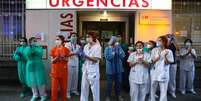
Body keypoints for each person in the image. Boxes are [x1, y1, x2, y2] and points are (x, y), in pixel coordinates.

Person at [150, 36, 174, 101]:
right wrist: (157, 58)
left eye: (160, 40)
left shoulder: (168, 51)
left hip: (163, 73)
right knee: (152, 89)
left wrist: (165, 56)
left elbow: (168, 63)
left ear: (164, 42)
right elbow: (151, 62)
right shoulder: (154, 50)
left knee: (163, 91)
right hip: (154, 72)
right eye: (157, 40)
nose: (158, 42)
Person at [50, 35, 73, 101]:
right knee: (54, 89)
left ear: (62, 41)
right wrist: (57, 58)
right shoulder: (53, 49)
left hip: (63, 71)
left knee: (64, 88)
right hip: (55, 72)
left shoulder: (66, 49)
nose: (57, 41)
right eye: (56, 39)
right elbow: (52, 61)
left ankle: (64, 99)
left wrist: (63, 58)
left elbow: (67, 60)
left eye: (58, 39)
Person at [80, 32, 102, 101]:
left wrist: (86, 56)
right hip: (85, 69)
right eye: (86, 37)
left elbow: (96, 59)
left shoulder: (98, 47)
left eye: (89, 36)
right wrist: (81, 56)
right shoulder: (86, 46)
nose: (87, 38)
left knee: (94, 90)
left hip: (93, 71)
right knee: (84, 88)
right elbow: (84, 58)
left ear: (93, 37)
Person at [24, 37, 47, 101]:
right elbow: (26, 56)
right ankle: (35, 95)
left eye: (35, 41)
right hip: (30, 65)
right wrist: (30, 51)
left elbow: (40, 54)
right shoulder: (27, 48)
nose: (35, 42)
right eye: (33, 41)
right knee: (32, 81)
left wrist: (34, 51)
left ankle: (42, 95)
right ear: (30, 42)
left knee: (40, 81)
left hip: (38, 65)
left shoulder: (39, 47)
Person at [104, 36, 125, 101]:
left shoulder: (119, 48)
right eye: (114, 41)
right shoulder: (107, 49)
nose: (116, 42)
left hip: (118, 68)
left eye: (116, 41)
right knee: (109, 83)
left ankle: (118, 95)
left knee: (118, 83)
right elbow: (108, 58)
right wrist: (113, 52)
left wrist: (118, 51)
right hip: (110, 69)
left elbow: (123, 56)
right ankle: (108, 96)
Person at [65, 33, 80, 98]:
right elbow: (67, 54)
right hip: (69, 63)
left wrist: (78, 53)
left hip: (76, 63)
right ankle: (67, 92)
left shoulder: (78, 46)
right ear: (70, 37)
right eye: (73, 36)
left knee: (75, 77)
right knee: (69, 78)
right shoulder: (67, 44)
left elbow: (79, 54)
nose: (74, 37)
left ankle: (74, 90)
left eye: (75, 36)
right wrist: (75, 52)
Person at [166, 34, 178, 98]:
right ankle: (165, 91)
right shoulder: (165, 44)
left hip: (173, 63)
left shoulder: (173, 44)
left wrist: (175, 40)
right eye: (168, 37)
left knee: (172, 78)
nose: (169, 38)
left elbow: (178, 49)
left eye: (170, 37)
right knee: (165, 77)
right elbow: (166, 47)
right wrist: (168, 41)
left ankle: (172, 91)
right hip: (166, 63)